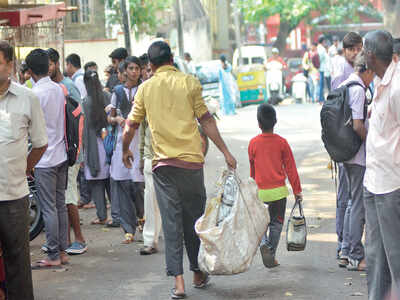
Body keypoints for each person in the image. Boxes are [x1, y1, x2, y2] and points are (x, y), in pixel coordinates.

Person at [122, 41, 237, 298]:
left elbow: (130, 125)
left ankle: (179, 282)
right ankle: (197, 271)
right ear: (172, 59)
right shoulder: (189, 82)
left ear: (149, 65)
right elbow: (206, 119)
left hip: (163, 167)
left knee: (171, 223)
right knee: (193, 220)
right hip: (191, 165)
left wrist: (125, 150)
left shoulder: (145, 88)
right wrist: (226, 152)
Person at [0, 41, 47, 299]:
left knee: (17, 263)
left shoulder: (27, 98)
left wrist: (23, 169)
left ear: (10, 65)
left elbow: (40, 143)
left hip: (14, 197)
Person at [363, 30, 400, 300]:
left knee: (396, 255)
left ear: (371, 55)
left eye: (364, 50)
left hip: (392, 184)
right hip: (372, 181)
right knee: (374, 255)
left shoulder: (397, 87)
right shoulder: (380, 81)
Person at [26, 49, 69, 269]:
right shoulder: (58, 89)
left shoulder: (34, 94)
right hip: (61, 154)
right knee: (59, 204)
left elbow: (31, 128)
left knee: (49, 207)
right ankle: (62, 251)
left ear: (30, 70)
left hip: (44, 158)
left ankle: (53, 254)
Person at [248, 104, 302, 268]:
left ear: (258, 124)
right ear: (275, 121)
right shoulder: (282, 143)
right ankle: (271, 252)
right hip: (278, 193)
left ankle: (263, 242)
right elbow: (291, 168)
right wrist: (297, 191)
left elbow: (252, 170)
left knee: (261, 223)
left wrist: (252, 190)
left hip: (261, 193)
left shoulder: (253, 144)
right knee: (276, 224)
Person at [47, 48, 88, 255]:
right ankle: (65, 239)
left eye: (48, 65)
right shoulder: (54, 86)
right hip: (60, 152)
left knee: (69, 195)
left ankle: (79, 239)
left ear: (55, 64)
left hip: (71, 152)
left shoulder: (68, 87)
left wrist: (75, 152)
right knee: (61, 197)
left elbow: (77, 122)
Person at [338, 51, 374, 272]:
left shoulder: (347, 83)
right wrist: (370, 143)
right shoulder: (359, 88)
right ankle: (354, 255)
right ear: (367, 70)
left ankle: (348, 250)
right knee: (358, 205)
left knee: (353, 203)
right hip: (357, 156)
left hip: (346, 154)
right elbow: (358, 125)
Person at [330, 31, 363, 267]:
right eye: (351, 49)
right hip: (345, 144)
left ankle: (345, 245)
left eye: (357, 48)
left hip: (346, 143)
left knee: (349, 196)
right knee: (347, 196)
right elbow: (336, 110)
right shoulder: (343, 72)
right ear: (345, 50)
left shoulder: (356, 68)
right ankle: (344, 244)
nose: (355, 52)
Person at [108, 56, 142, 242]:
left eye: (137, 68)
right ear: (125, 71)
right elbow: (110, 117)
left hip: (141, 142)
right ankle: (128, 228)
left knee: (139, 185)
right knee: (122, 184)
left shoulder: (145, 89)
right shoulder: (118, 92)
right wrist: (117, 119)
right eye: (131, 68)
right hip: (122, 141)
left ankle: (143, 219)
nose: (134, 71)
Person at [139, 59, 161, 255]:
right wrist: (140, 156)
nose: (149, 73)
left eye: (150, 70)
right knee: (150, 198)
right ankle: (150, 240)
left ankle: (179, 236)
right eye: (146, 70)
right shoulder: (144, 92)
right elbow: (140, 127)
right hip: (150, 156)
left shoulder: (172, 92)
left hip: (173, 156)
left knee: (174, 200)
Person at [82, 70, 111, 226]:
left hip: (93, 149)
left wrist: (83, 152)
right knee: (110, 184)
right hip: (107, 145)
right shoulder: (107, 96)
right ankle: (116, 215)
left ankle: (102, 216)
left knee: (97, 185)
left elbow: (85, 130)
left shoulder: (86, 102)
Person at [317, 35, 329, 104]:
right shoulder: (321, 48)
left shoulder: (319, 48)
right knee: (321, 84)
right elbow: (321, 58)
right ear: (322, 41)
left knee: (321, 84)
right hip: (322, 68)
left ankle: (321, 99)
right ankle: (320, 99)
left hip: (321, 68)